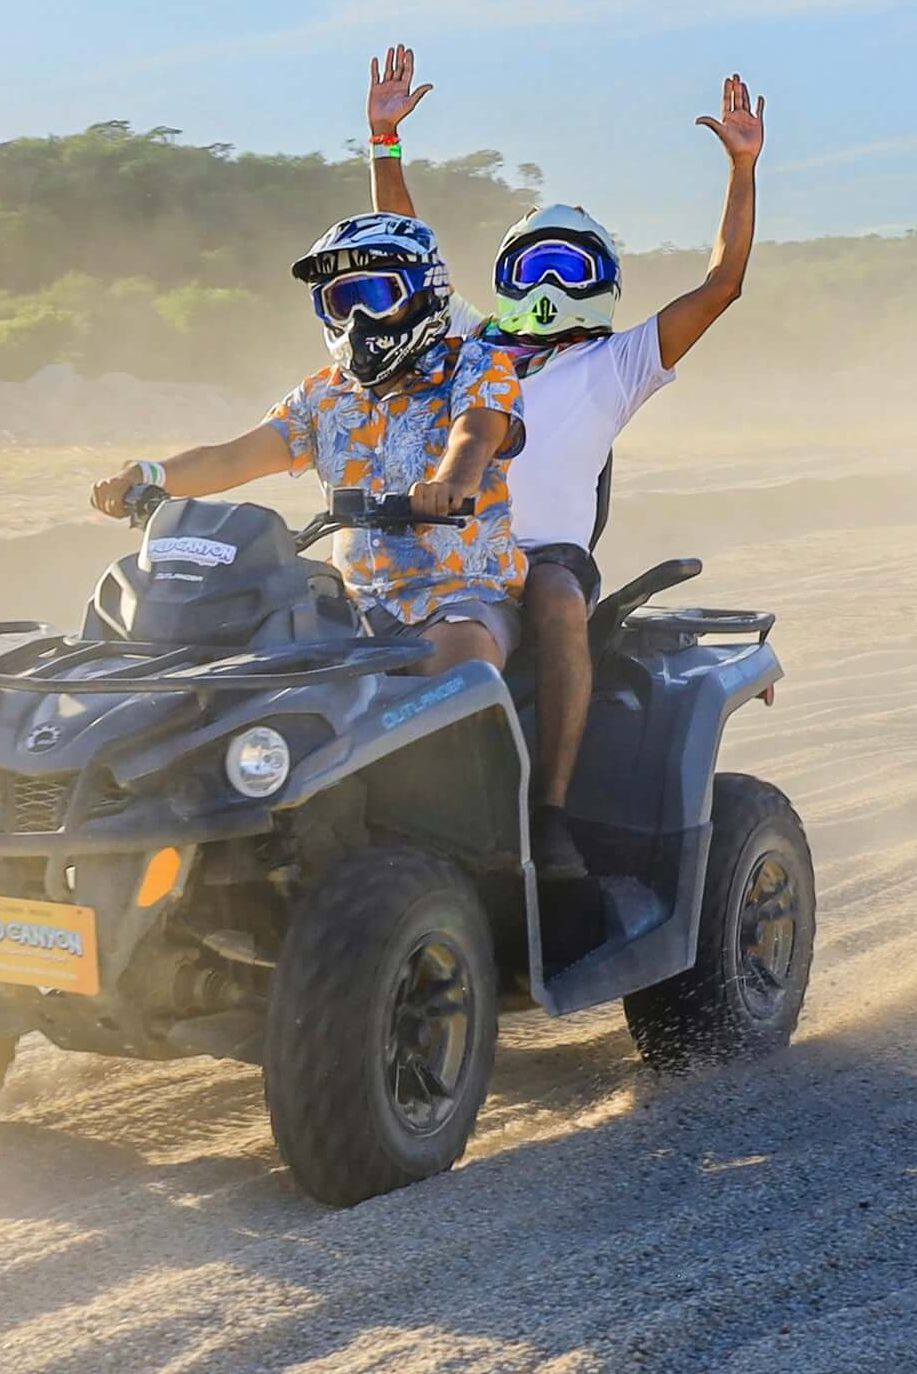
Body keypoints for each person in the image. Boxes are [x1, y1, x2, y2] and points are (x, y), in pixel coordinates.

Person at [363, 43, 761, 876]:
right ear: (506, 276)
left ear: (601, 281)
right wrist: (385, 144)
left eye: (566, 265)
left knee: (555, 600)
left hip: (547, 558)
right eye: (532, 263)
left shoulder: (617, 365)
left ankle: (547, 818)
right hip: (449, 553)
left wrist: (742, 169)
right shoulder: (474, 344)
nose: (547, 282)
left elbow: (722, 286)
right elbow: (406, 259)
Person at [90, 209, 524, 674]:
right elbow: (233, 457)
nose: (358, 318)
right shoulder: (323, 394)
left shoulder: (477, 364)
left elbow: (474, 435)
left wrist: (450, 483)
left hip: (458, 595)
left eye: (376, 295)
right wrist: (149, 476)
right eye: (341, 301)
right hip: (351, 604)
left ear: (425, 293)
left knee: (458, 669)